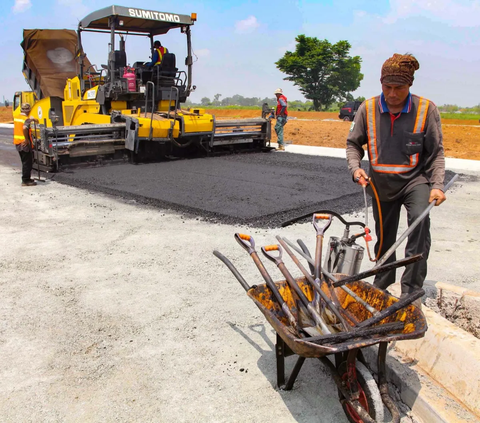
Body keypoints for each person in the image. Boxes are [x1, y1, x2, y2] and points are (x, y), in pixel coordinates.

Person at [346, 53, 446, 301]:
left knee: (419, 225)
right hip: (380, 183)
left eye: (398, 88)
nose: (392, 93)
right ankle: (383, 280)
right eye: (387, 87)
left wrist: (437, 185)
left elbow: (436, 153)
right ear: (381, 84)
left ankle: (411, 289)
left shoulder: (426, 109)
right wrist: (355, 167)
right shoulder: (367, 109)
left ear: (409, 85)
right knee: (385, 236)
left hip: (415, 181)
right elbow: (353, 145)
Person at [13, 103, 39, 187]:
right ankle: (26, 180)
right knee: (27, 162)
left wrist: (32, 119)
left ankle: (27, 178)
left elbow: (22, 124)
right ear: (29, 110)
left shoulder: (17, 117)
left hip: (18, 143)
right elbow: (24, 128)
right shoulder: (26, 119)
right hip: (24, 144)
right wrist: (27, 139)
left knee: (24, 161)